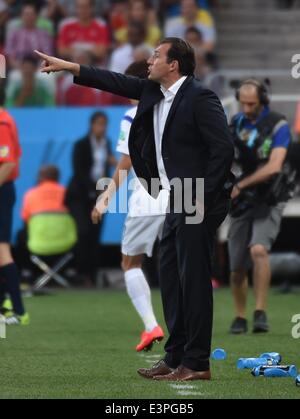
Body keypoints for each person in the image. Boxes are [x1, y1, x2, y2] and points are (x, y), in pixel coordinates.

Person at [35, 36, 234, 381]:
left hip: (196, 195)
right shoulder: (154, 92)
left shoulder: (200, 97)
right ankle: (174, 357)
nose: (148, 61)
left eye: (156, 56)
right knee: (170, 277)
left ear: (174, 64)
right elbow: (113, 80)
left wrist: (203, 194)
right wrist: (70, 68)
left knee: (194, 279)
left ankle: (198, 362)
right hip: (174, 195)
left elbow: (223, 150)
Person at [92, 61, 167, 352]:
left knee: (130, 262)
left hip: (148, 194)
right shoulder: (173, 108)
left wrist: (105, 197)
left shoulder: (133, 114)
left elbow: (127, 161)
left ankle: (151, 326)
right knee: (180, 263)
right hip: (184, 191)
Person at [228, 79, 293, 334]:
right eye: (242, 103)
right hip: (241, 198)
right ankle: (240, 316)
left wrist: (240, 185)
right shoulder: (236, 123)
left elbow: (274, 166)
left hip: (270, 195)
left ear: (263, 100)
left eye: (251, 104)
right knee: (235, 266)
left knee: (258, 249)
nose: (246, 108)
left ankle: (260, 311)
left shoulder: (278, 124)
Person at [65, 112, 117, 287]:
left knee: (95, 233)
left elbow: (103, 170)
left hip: (98, 194)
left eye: (105, 124)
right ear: (92, 125)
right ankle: (81, 273)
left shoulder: (107, 144)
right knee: (83, 232)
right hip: (80, 195)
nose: (102, 128)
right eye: (99, 124)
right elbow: (78, 171)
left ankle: (93, 275)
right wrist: (91, 189)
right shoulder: (81, 145)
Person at [0, 85, 29, 326]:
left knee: (2, 250)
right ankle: (5, 309)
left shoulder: (2, 123)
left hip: (2, 190)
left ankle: (18, 311)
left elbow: (8, 164)